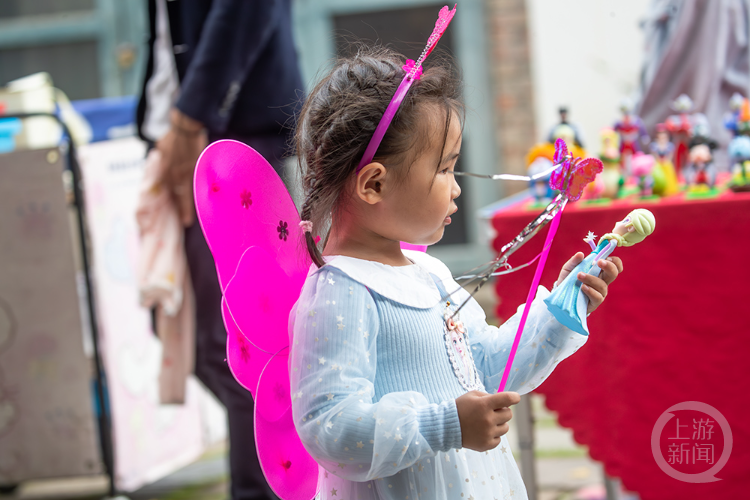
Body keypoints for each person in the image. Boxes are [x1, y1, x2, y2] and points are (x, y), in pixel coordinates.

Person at [287, 47, 622, 500]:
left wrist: (560, 307)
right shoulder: (340, 291)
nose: (458, 185)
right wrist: (445, 424)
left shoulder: (428, 273)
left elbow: (486, 370)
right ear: (374, 184)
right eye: (444, 168)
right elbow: (330, 429)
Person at [136, 1, 303, 499]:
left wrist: (190, 119)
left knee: (244, 348)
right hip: (189, 136)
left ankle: (272, 488)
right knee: (209, 346)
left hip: (228, 141)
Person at [544, 209, 655, 337]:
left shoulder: (612, 241)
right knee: (574, 281)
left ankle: (569, 307)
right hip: (592, 259)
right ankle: (562, 301)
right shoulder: (611, 239)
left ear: (630, 228)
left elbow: (602, 252)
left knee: (578, 282)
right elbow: (598, 249)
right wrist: (591, 242)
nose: (619, 221)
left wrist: (595, 260)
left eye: (625, 220)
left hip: (592, 262)